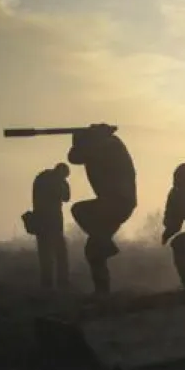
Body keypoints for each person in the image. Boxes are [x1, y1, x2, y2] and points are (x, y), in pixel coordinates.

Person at [67, 123, 137, 295]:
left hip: (119, 202)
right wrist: (78, 137)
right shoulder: (96, 146)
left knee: (79, 210)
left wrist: (91, 137)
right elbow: (74, 157)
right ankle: (102, 292)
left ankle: (105, 242)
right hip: (109, 204)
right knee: (93, 249)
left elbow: (82, 153)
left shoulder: (111, 144)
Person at [25, 163, 71, 289]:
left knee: (44, 253)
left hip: (39, 219)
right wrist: (64, 184)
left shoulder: (40, 178)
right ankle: (62, 283)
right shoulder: (57, 181)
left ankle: (47, 284)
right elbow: (66, 197)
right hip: (53, 220)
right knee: (60, 252)